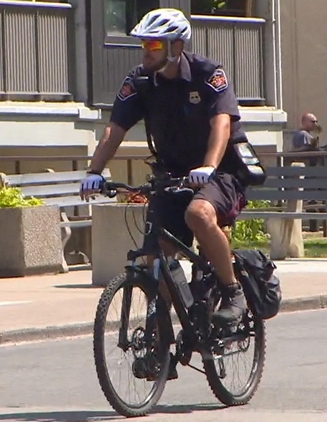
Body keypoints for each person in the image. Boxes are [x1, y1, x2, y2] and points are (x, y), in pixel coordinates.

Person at [80, 9, 257, 335]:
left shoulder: (208, 74)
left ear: (176, 47)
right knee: (157, 252)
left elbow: (222, 124)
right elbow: (114, 130)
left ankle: (232, 291)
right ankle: (161, 335)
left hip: (221, 172)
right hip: (172, 174)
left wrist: (208, 166)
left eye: (155, 45)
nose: (147, 51)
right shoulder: (140, 81)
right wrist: (94, 170)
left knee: (199, 215)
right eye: (145, 45)